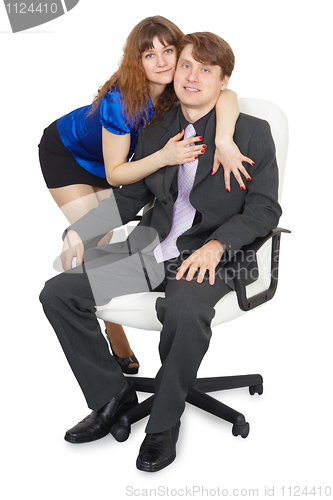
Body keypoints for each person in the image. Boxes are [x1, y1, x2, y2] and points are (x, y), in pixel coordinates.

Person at [40, 31, 281, 472]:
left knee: (185, 308)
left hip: (216, 257)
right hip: (151, 255)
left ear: (224, 81)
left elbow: (265, 209)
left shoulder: (250, 132)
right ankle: (112, 398)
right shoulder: (157, 130)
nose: (192, 76)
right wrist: (81, 230)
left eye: (206, 71)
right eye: (186, 65)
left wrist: (216, 245)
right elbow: (131, 197)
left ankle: (162, 425)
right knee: (59, 292)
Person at [38, 16, 253, 375]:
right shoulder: (120, 102)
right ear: (136, 62)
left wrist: (223, 139)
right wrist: (164, 158)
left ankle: (120, 295)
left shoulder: (180, 88)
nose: (163, 62)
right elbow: (115, 173)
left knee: (115, 230)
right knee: (98, 235)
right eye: (149, 55)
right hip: (71, 156)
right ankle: (114, 336)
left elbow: (227, 94)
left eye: (169, 51)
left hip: (124, 164)